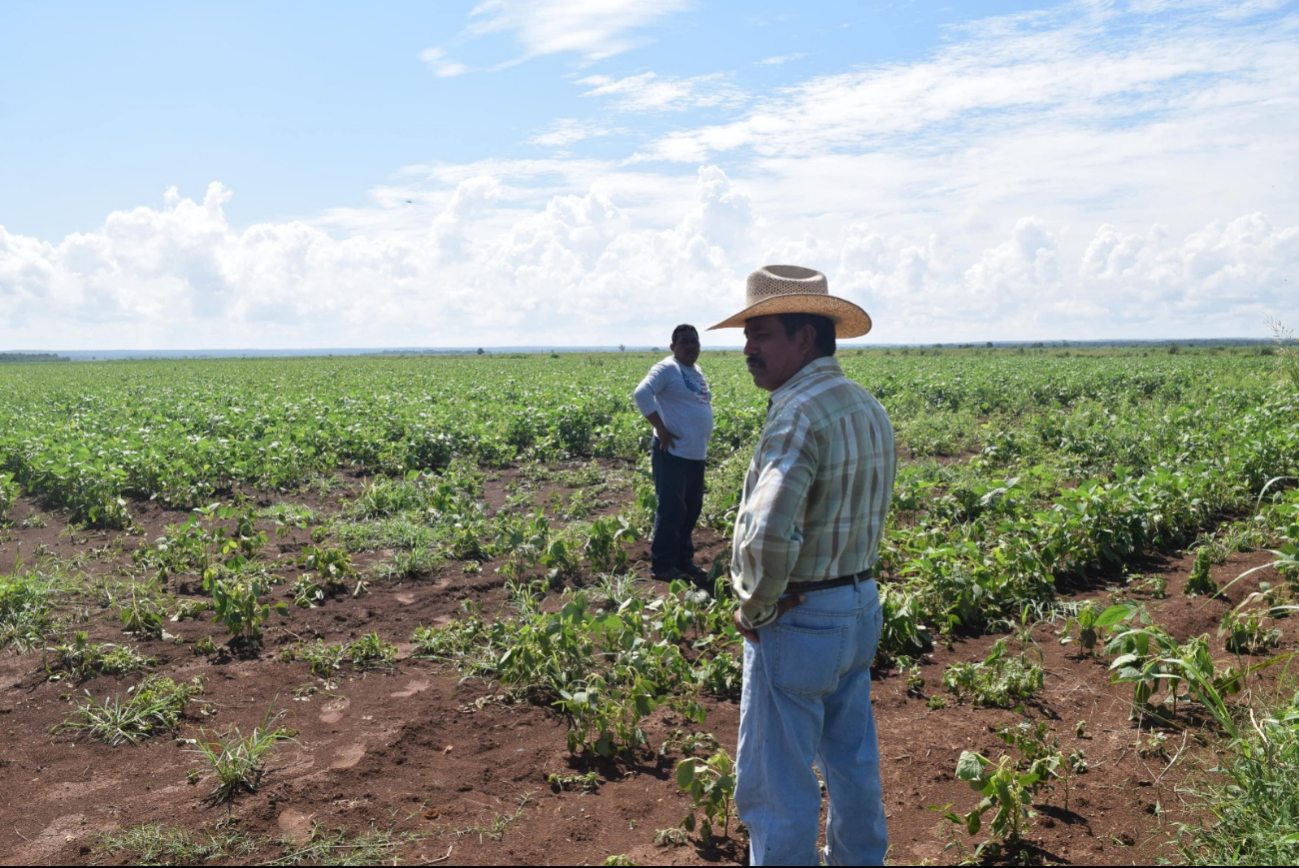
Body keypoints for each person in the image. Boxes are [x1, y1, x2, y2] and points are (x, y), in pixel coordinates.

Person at [707, 265, 895, 866]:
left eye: (762, 334)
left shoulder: (796, 414)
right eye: (746, 335)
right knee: (852, 765)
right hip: (858, 606)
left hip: (800, 615)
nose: (747, 349)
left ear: (806, 338)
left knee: (778, 789)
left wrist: (755, 606)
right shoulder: (866, 407)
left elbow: (767, 532)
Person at [633, 324, 714, 584]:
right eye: (685, 342)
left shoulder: (695, 370)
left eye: (694, 341)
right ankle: (663, 565)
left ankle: (682, 559)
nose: (691, 346)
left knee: (691, 509)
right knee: (671, 509)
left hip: (694, 454)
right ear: (673, 347)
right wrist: (661, 429)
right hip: (672, 452)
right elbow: (642, 393)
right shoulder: (667, 368)